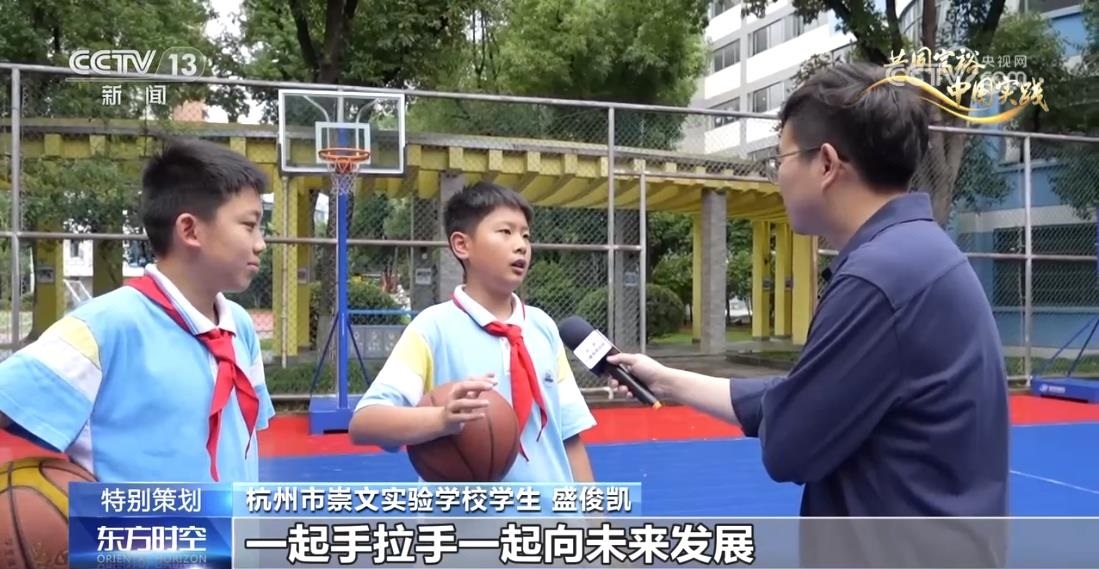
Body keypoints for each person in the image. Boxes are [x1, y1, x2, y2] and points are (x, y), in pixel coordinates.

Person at [606, 62, 1009, 567]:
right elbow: (811, 397)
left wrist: (781, 416)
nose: (777, 174)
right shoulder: (917, 254)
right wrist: (666, 379)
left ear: (826, 164)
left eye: (780, 158)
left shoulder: (878, 277)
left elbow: (789, 446)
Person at [0, 138, 275, 483]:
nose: (261, 243)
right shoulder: (105, 326)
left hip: (234, 518)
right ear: (190, 230)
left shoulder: (239, 326)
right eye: (249, 225)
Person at [349, 181, 597, 484]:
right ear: (462, 245)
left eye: (526, 235)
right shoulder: (432, 329)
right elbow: (365, 423)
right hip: (467, 513)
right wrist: (440, 419)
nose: (521, 245)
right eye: (505, 232)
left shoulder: (542, 327)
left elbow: (570, 437)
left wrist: (591, 512)